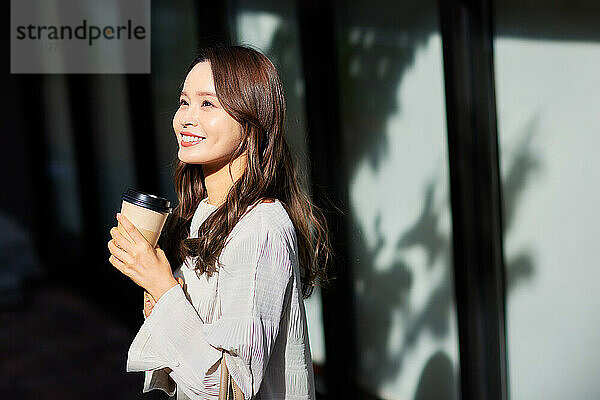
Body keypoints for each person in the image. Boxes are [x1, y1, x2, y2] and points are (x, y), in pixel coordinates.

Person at [106, 43, 334, 399]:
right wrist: (163, 302)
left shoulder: (261, 228)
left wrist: (162, 287)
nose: (185, 118)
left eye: (207, 103)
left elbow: (231, 389)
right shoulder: (204, 214)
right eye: (184, 102)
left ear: (251, 122)